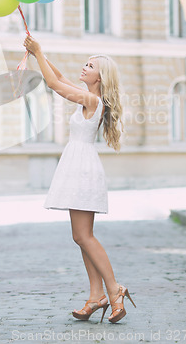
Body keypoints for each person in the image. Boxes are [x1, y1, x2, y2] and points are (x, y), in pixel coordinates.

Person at [23, 35, 136, 324]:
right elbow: (58, 76)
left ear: (100, 77)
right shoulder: (87, 96)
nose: (84, 68)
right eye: (85, 63)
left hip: (82, 170)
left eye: (90, 65)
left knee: (84, 236)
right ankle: (95, 296)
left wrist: (38, 51)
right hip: (78, 167)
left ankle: (114, 290)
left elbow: (53, 84)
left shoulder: (91, 99)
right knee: (80, 237)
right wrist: (38, 54)